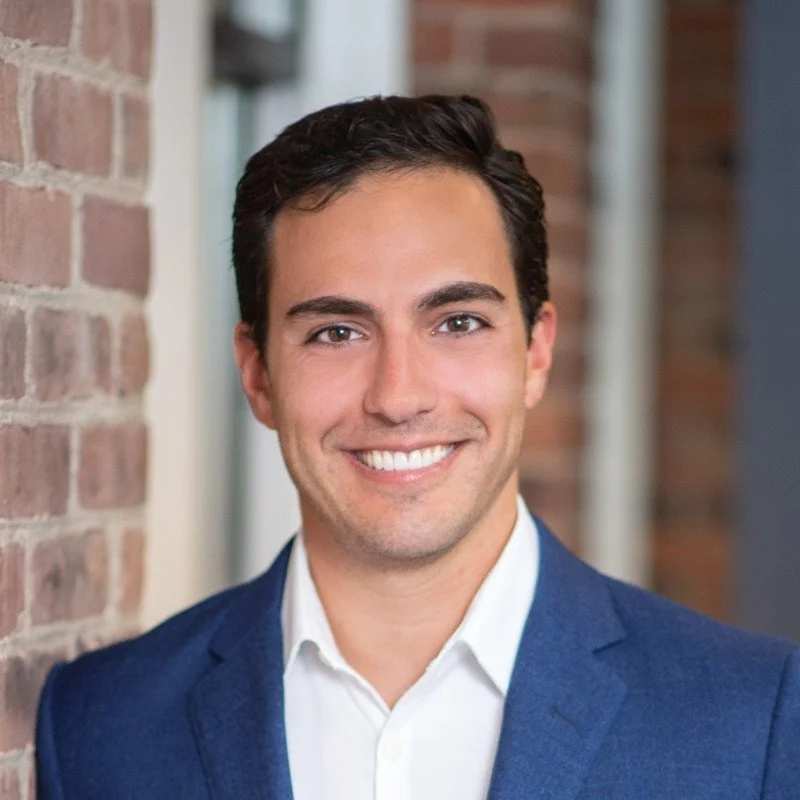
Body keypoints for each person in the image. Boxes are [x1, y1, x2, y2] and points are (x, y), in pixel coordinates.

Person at [36, 95, 798, 799]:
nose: (398, 397)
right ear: (258, 373)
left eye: (457, 323)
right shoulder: (102, 727)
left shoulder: (750, 721)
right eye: (337, 332)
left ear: (535, 352)